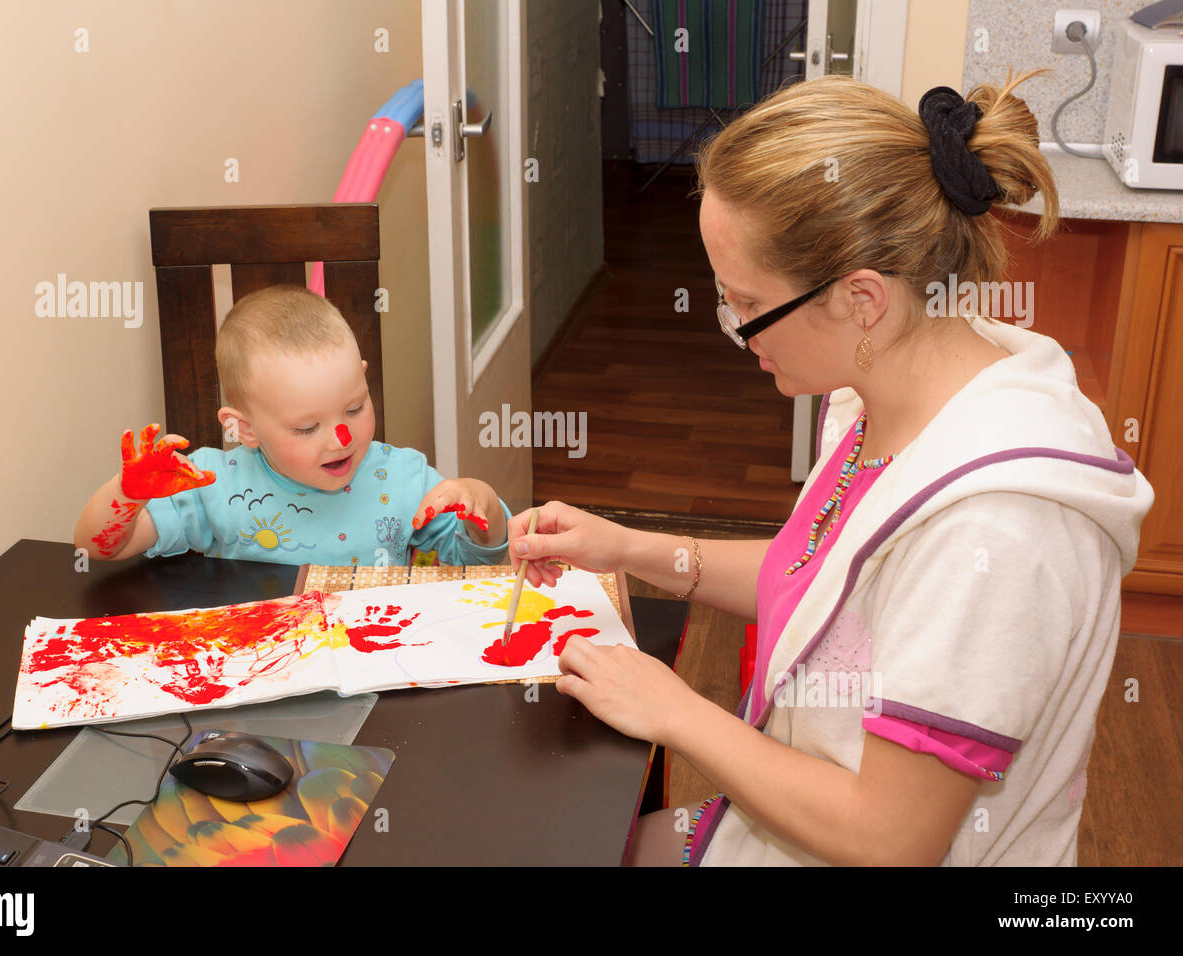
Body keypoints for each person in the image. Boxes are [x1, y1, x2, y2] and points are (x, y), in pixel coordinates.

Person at [507, 71, 1154, 866]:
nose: (735, 330)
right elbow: (819, 582)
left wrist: (676, 712)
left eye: (747, 305)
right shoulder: (888, 393)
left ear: (861, 300)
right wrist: (629, 547)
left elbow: (889, 839)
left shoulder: (997, 531)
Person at [75, 284, 511, 567]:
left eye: (355, 408)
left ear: (362, 375)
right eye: (307, 428)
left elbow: (483, 570)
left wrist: (484, 508)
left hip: (375, 663)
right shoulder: (211, 484)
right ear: (244, 430)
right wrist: (126, 496)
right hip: (259, 676)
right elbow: (98, 548)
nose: (342, 439)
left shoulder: (404, 479)